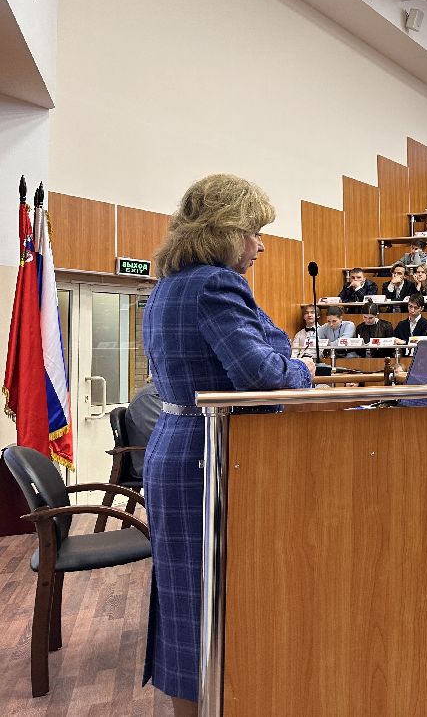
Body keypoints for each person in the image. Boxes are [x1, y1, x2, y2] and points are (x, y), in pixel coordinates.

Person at [142, 174, 314, 712]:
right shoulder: (216, 284)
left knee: (187, 598)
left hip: (177, 445)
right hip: (210, 455)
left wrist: (281, 354)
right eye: (254, 232)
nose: (261, 245)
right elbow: (264, 373)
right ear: (227, 232)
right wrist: (303, 368)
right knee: (213, 598)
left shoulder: (170, 284)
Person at [124, 377, 162, 478]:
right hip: (155, 465)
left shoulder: (170, 397)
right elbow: (165, 438)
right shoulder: (149, 396)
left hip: (173, 459)